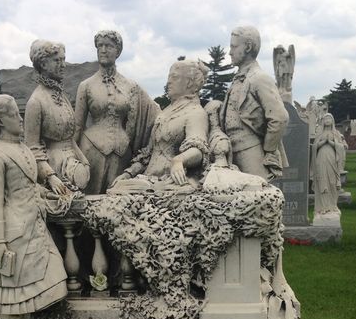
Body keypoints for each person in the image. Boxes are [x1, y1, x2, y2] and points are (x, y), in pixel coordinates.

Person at [0, 95, 68, 319]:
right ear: (0, 120)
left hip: (34, 223)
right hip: (14, 228)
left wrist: (49, 192)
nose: (21, 119)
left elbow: (29, 186)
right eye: (15, 115)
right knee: (13, 286)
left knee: (47, 275)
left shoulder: (23, 148)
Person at [74, 30, 158, 194]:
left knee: (116, 202)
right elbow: (78, 125)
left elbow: (149, 113)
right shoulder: (86, 85)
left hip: (121, 153)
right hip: (91, 150)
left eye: (109, 46)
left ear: (118, 51)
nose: (103, 50)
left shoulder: (131, 86)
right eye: (100, 46)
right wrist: (72, 157)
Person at [111, 59, 209, 191]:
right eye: (169, 77)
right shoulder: (164, 113)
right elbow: (148, 155)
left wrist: (179, 160)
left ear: (190, 82)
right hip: (148, 178)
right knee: (118, 188)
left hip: (171, 181)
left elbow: (198, 150)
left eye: (174, 77)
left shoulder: (196, 113)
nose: (168, 82)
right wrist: (129, 173)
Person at [221, 26, 288, 181]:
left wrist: (268, 150)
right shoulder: (238, 79)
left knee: (256, 195)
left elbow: (280, 117)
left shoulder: (259, 78)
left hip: (250, 151)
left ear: (248, 47)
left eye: (234, 46)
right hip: (231, 151)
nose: (230, 52)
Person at [24, 39, 90, 195]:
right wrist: (51, 177)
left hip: (74, 165)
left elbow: (70, 139)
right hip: (54, 169)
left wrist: (85, 163)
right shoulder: (36, 102)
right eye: (57, 60)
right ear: (43, 64)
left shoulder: (61, 95)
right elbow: (32, 148)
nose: (63, 65)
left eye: (63, 60)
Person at [311, 113, 343, 216]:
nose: (327, 120)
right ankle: (322, 207)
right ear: (322, 121)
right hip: (321, 159)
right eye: (325, 118)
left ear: (332, 120)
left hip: (332, 159)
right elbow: (314, 147)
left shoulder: (336, 133)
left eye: (329, 118)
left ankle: (333, 206)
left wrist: (331, 142)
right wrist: (323, 142)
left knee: (332, 182)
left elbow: (341, 147)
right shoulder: (319, 134)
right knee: (322, 182)